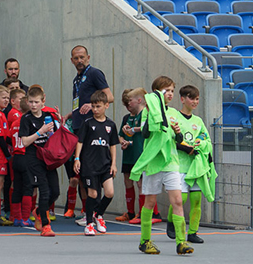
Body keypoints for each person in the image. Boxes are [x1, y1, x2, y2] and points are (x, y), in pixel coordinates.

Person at [130, 76, 194, 255]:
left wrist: (178, 132)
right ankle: (145, 240)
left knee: (178, 200)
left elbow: (178, 140)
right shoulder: (148, 111)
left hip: (171, 162)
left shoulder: (173, 112)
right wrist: (156, 121)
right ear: (157, 93)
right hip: (154, 163)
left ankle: (182, 242)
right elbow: (144, 133)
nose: (170, 94)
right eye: (167, 91)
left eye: (173, 90)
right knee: (150, 202)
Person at [67, 45, 114, 223]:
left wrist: (92, 105)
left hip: (94, 129)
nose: (79, 60)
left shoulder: (94, 73)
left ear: (88, 57)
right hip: (80, 128)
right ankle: (88, 213)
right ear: (71, 60)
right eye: (75, 58)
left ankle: (94, 214)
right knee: (83, 173)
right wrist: (70, 115)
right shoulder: (76, 79)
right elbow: (79, 104)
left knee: (92, 171)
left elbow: (109, 96)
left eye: (82, 57)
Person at [166, 85, 217, 245]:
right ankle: (171, 222)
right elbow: (172, 139)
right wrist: (186, 148)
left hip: (196, 167)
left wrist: (200, 144)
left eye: (197, 98)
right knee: (180, 198)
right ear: (182, 99)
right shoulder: (175, 118)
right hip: (180, 166)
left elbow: (206, 140)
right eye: (191, 98)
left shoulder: (198, 121)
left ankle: (193, 232)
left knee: (196, 199)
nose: (195, 101)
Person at [73, 90, 118, 237]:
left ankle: (99, 215)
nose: (95, 109)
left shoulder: (111, 125)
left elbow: (112, 145)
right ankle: (89, 224)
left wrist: (113, 164)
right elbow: (80, 142)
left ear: (106, 106)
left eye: (98, 106)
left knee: (109, 192)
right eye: (93, 106)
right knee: (92, 194)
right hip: (90, 165)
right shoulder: (88, 123)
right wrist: (77, 158)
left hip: (105, 165)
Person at [19, 86, 60, 237]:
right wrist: (39, 132)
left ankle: (39, 210)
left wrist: (59, 123)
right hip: (33, 158)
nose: (33, 105)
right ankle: (45, 225)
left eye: (36, 102)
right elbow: (24, 142)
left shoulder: (49, 116)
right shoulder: (26, 119)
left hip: (48, 157)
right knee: (44, 190)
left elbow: (56, 136)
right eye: (31, 102)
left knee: (55, 191)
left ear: (43, 101)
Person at [116, 88, 162, 224]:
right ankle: (130, 212)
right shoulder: (126, 117)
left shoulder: (147, 114)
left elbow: (148, 128)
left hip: (141, 155)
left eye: (130, 101)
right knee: (127, 181)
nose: (128, 104)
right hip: (129, 155)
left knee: (142, 183)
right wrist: (123, 141)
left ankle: (146, 213)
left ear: (139, 100)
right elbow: (120, 135)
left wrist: (133, 130)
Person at [9, 97, 34, 227]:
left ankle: (17, 217)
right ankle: (25, 217)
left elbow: (9, 138)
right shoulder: (29, 122)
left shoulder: (14, 123)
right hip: (25, 156)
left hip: (16, 156)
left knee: (17, 188)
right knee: (28, 188)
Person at [0, 85, 12, 226]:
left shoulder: (1, 113)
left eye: (8, 98)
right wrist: (8, 155)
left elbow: (6, 137)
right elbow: (0, 138)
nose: (6, 100)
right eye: (3, 98)